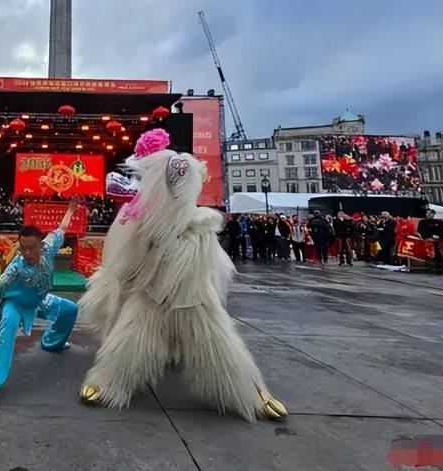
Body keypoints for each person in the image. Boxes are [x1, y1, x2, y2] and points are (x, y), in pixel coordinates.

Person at [78, 130, 287, 421]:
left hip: (191, 295)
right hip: (151, 291)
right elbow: (128, 263)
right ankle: (110, 380)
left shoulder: (197, 227)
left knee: (214, 338)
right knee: (133, 332)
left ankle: (253, 392)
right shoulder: (143, 221)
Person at [0, 198, 81, 414]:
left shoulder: (49, 248)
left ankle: (52, 343)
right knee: (7, 325)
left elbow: (61, 228)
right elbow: (0, 286)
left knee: (70, 310)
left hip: (39, 301)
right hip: (14, 304)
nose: (25, 253)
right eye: (22, 248)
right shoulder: (16, 266)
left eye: (30, 248)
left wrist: (71, 208)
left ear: (41, 245)